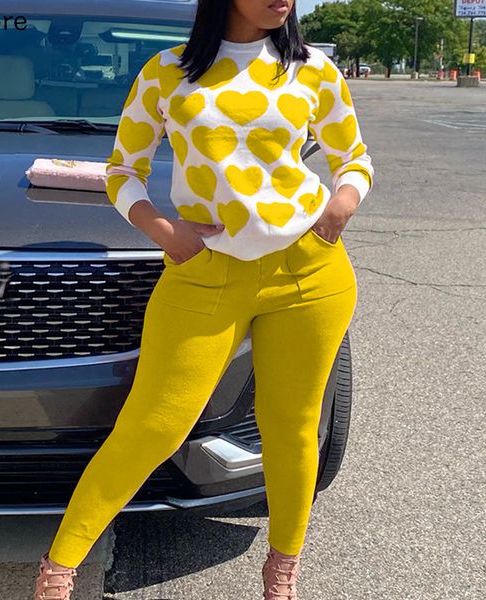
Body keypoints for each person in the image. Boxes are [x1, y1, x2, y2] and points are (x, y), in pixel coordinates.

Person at [32, 0, 374, 598]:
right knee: (153, 426)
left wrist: (340, 207)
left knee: (292, 427)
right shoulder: (167, 72)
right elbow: (122, 171)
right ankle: (59, 569)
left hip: (309, 273)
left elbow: (353, 159)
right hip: (205, 274)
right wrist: (165, 231)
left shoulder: (312, 69)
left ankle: (282, 572)